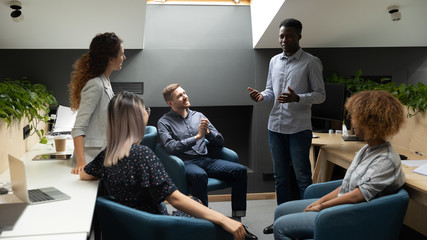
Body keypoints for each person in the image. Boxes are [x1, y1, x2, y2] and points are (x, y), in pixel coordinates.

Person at [79, 92, 246, 240]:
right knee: (199, 205)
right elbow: (174, 199)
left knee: (194, 200)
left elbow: (85, 174)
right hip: (157, 226)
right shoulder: (142, 155)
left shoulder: (108, 155)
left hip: (133, 225)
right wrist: (223, 219)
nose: (147, 112)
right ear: (136, 118)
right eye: (145, 109)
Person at [273, 90, 406, 240]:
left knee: (281, 227)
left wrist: (322, 207)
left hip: (354, 214)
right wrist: (319, 201)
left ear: (371, 122)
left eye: (356, 117)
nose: (353, 122)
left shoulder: (385, 160)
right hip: (343, 207)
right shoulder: (367, 149)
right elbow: (347, 185)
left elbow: (357, 196)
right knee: (281, 211)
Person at [247, 18, 326, 234]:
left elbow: (320, 95)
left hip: (299, 129)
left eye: (289, 35)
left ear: (299, 36)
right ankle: (281, 219)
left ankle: (308, 222)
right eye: (281, 35)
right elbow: (270, 91)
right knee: (280, 176)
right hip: (275, 127)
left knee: (302, 177)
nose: (284, 40)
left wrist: (297, 98)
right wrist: (261, 96)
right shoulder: (274, 61)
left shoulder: (311, 62)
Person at [157, 84, 257, 240]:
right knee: (199, 175)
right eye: (179, 96)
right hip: (186, 163)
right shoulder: (164, 122)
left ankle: (237, 220)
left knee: (240, 170)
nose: (185, 96)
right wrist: (197, 137)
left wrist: (208, 133)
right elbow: (170, 147)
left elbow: (220, 142)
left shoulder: (199, 115)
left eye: (184, 92)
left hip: (206, 160)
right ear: (170, 103)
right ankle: (204, 222)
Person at [69, 32, 126, 174]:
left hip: (104, 154)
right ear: (111, 59)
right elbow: (78, 128)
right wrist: (82, 163)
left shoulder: (105, 81)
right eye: (121, 54)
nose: (124, 58)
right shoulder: (95, 85)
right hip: (90, 159)